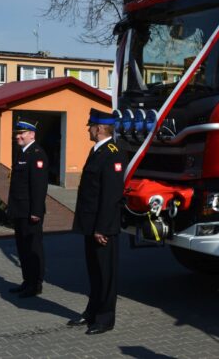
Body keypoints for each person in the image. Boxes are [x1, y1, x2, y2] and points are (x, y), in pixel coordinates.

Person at [67, 108, 127, 335]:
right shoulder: (97, 151)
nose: (88, 130)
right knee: (94, 272)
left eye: (90, 126)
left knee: (105, 273)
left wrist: (102, 227)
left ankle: (105, 318)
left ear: (99, 128)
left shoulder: (114, 152)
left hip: (103, 227)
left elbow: (111, 195)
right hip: (91, 224)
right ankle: (92, 311)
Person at [7, 118, 48, 298]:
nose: (18, 137)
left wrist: (36, 212)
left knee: (33, 248)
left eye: (21, 134)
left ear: (31, 134)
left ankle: (35, 284)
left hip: (30, 212)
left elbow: (39, 187)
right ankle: (27, 280)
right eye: (16, 134)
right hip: (20, 209)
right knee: (22, 248)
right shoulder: (22, 153)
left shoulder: (37, 154)